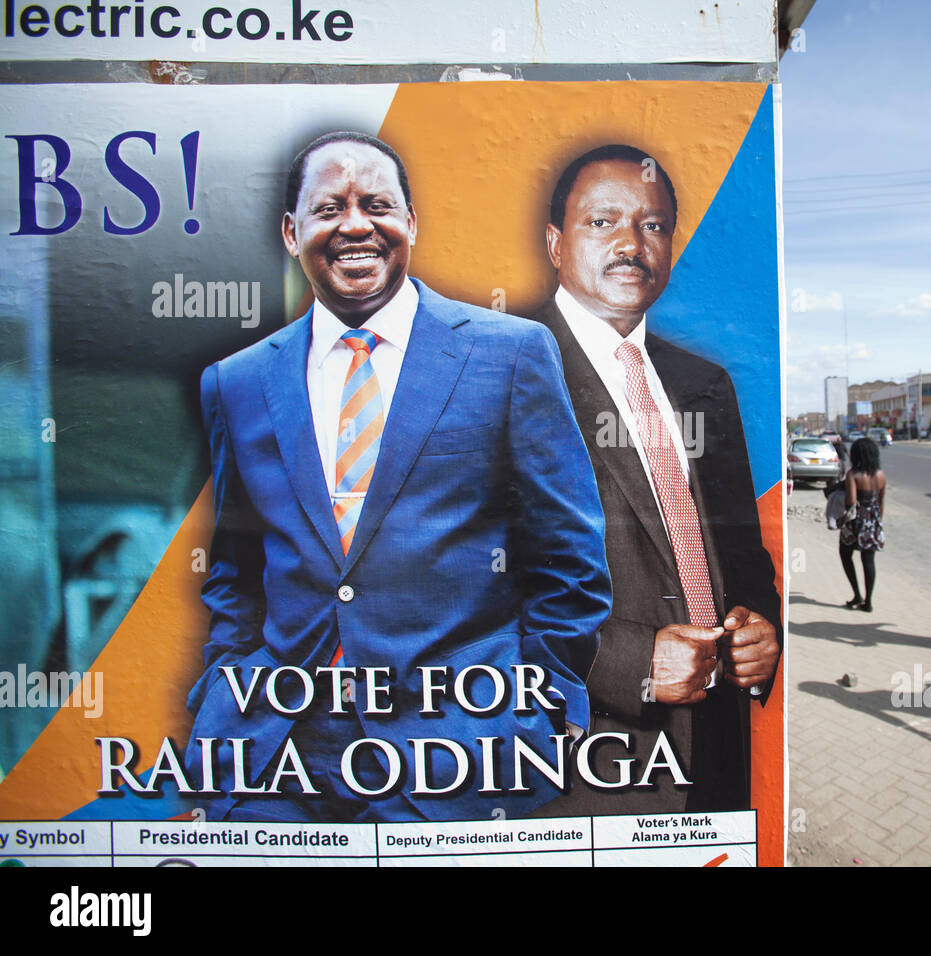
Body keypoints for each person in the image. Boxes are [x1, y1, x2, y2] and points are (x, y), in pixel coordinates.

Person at [184, 132, 612, 823]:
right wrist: (221, 702)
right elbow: (235, 571)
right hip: (282, 761)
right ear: (293, 232)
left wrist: (542, 709)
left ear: (410, 222)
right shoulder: (236, 382)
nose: (356, 224)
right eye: (329, 208)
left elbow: (571, 561)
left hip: (461, 758)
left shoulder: (510, 355)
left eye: (377, 204)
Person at [529, 144, 781, 813]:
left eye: (652, 224)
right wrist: (629, 664)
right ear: (555, 242)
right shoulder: (492, 372)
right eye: (602, 222)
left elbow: (744, 558)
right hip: (588, 763)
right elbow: (459, 584)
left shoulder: (705, 384)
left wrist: (763, 629)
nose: (630, 243)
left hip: (717, 747)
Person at [840, 437, 885, 611]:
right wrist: (877, 522)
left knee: (845, 554)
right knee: (868, 561)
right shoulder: (881, 475)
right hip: (873, 521)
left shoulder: (853, 474)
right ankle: (869, 601)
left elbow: (851, 501)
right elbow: (881, 502)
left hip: (855, 521)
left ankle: (856, 594)